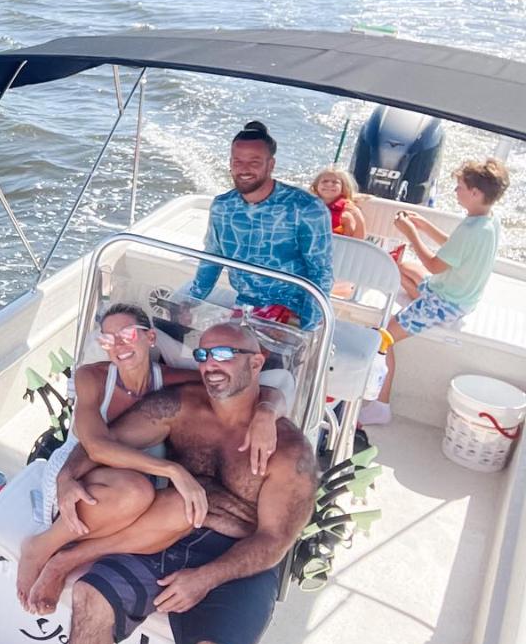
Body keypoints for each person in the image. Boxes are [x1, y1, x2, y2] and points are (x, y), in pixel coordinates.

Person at [60, 322, 318, 644]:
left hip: (239, 558)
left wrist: (205, 578)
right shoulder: (180, 405)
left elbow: (274, 540)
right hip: (167, 532)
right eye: (203, 355)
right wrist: (67, 478)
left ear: (256, 363)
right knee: (90, 597)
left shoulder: (291, 450)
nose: (210, 364)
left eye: (224, 354)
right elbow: (104, 441)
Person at [17, 305, 293, 614]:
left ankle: (71, 557)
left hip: (134, 482)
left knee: (179, 510)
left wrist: (266, 413)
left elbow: (268, 386)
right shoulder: (91, 377)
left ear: (150, 338)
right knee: (138, 492)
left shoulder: (173, 381)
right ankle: (41, 546)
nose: (119, 346)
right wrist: (173, 471)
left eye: (127, 334)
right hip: (78, 472)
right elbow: (95, 447)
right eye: (109, 340)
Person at [363, 158, 509, 425]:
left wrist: (410, 233)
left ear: (475, 193)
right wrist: (424, 226)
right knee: (403, 266)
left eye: (460, 187)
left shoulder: (471, 230)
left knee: (380, 337)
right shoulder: (487, 221)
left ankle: (380, 406)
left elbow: (434, 265)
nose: (456, 191)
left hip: (445, 303)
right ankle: (418, 299)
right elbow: (455, 249)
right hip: (461, 295)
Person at [187, 121, 333, 328]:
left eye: (254, 162)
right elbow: (212, 257)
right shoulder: (222, 206)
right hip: (245, 306)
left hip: (293, 311)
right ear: (230, 163)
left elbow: (321, 272)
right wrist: (192, 301)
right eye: (238, 162)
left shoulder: (307, 208)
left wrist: (307, 329)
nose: (244, 169)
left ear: (270, 164)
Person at [309, 166, 365, 238]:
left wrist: (357, 217)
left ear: (343, 188)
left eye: (335, 182)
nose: (329, 184)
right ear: (316, 186)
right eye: (324, 181)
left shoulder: (349, 213)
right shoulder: (307, 206)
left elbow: (357, 241)